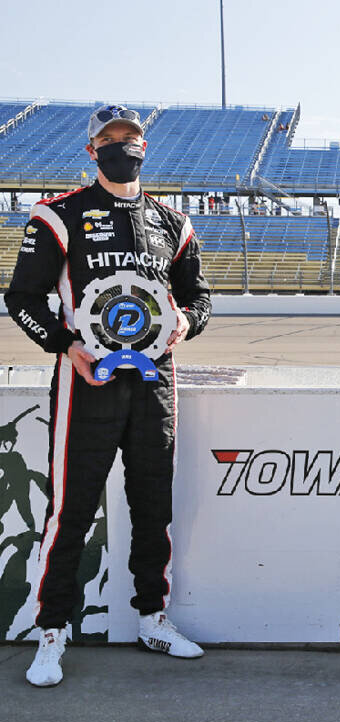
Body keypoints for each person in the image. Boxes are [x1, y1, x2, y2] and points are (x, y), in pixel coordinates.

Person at [4, 104, 212, 687]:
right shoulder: (57, 213)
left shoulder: (174, 222)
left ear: (144, 146)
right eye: (110, 137)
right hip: (85, 384)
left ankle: (153, 617)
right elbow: (22, 297)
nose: (123, 145)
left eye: (132, 136)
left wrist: (183, 326)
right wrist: (67, 344)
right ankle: (51, 633)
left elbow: (200, 298)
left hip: (155, 386)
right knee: (69, 511)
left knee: (154, 506)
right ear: (91, 149)